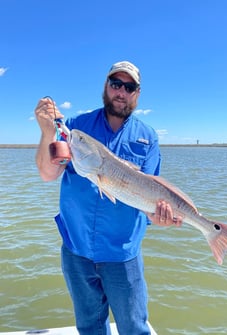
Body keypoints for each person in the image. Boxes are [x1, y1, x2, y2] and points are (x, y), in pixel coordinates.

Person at [35, 61, 181, 335]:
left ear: (137, 93)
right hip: (76, 249)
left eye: (129, 87)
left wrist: (160, 216)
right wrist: (46, 133)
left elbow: (149, 195)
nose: (121, 92)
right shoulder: (78, 127)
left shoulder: (147, 137)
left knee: (135, 328)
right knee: (90, 327)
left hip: (122, 253)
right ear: (106, 87)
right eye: (116, 84)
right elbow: (47, 173)